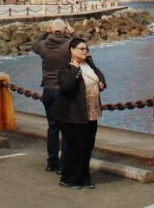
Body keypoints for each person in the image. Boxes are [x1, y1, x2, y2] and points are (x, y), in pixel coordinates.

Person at [49, 37, 107, 189]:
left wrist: (100, 82)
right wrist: (75, 68)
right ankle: (68, 179)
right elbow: (67, 86)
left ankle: (84, 178)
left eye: (86, 49)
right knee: (75, 148)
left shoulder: (89, 64)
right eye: (81, 49)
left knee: (87, 147)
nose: (84, 51)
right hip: (71, 115)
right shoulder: (66, 68)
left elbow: (100, 76)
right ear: (72, 51)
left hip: (91, 113)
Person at [32, 19, 73, 172]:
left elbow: (34, 44)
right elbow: (82, 45)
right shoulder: (67, 46)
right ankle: (63, 164)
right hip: (63, 91)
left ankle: (52, 161)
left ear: (50, 30)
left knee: (53, 127)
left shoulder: (43, 47)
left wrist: (45, 32)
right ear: (64, 31)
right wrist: (72, 33)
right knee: (66, 128)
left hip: (48, 90)